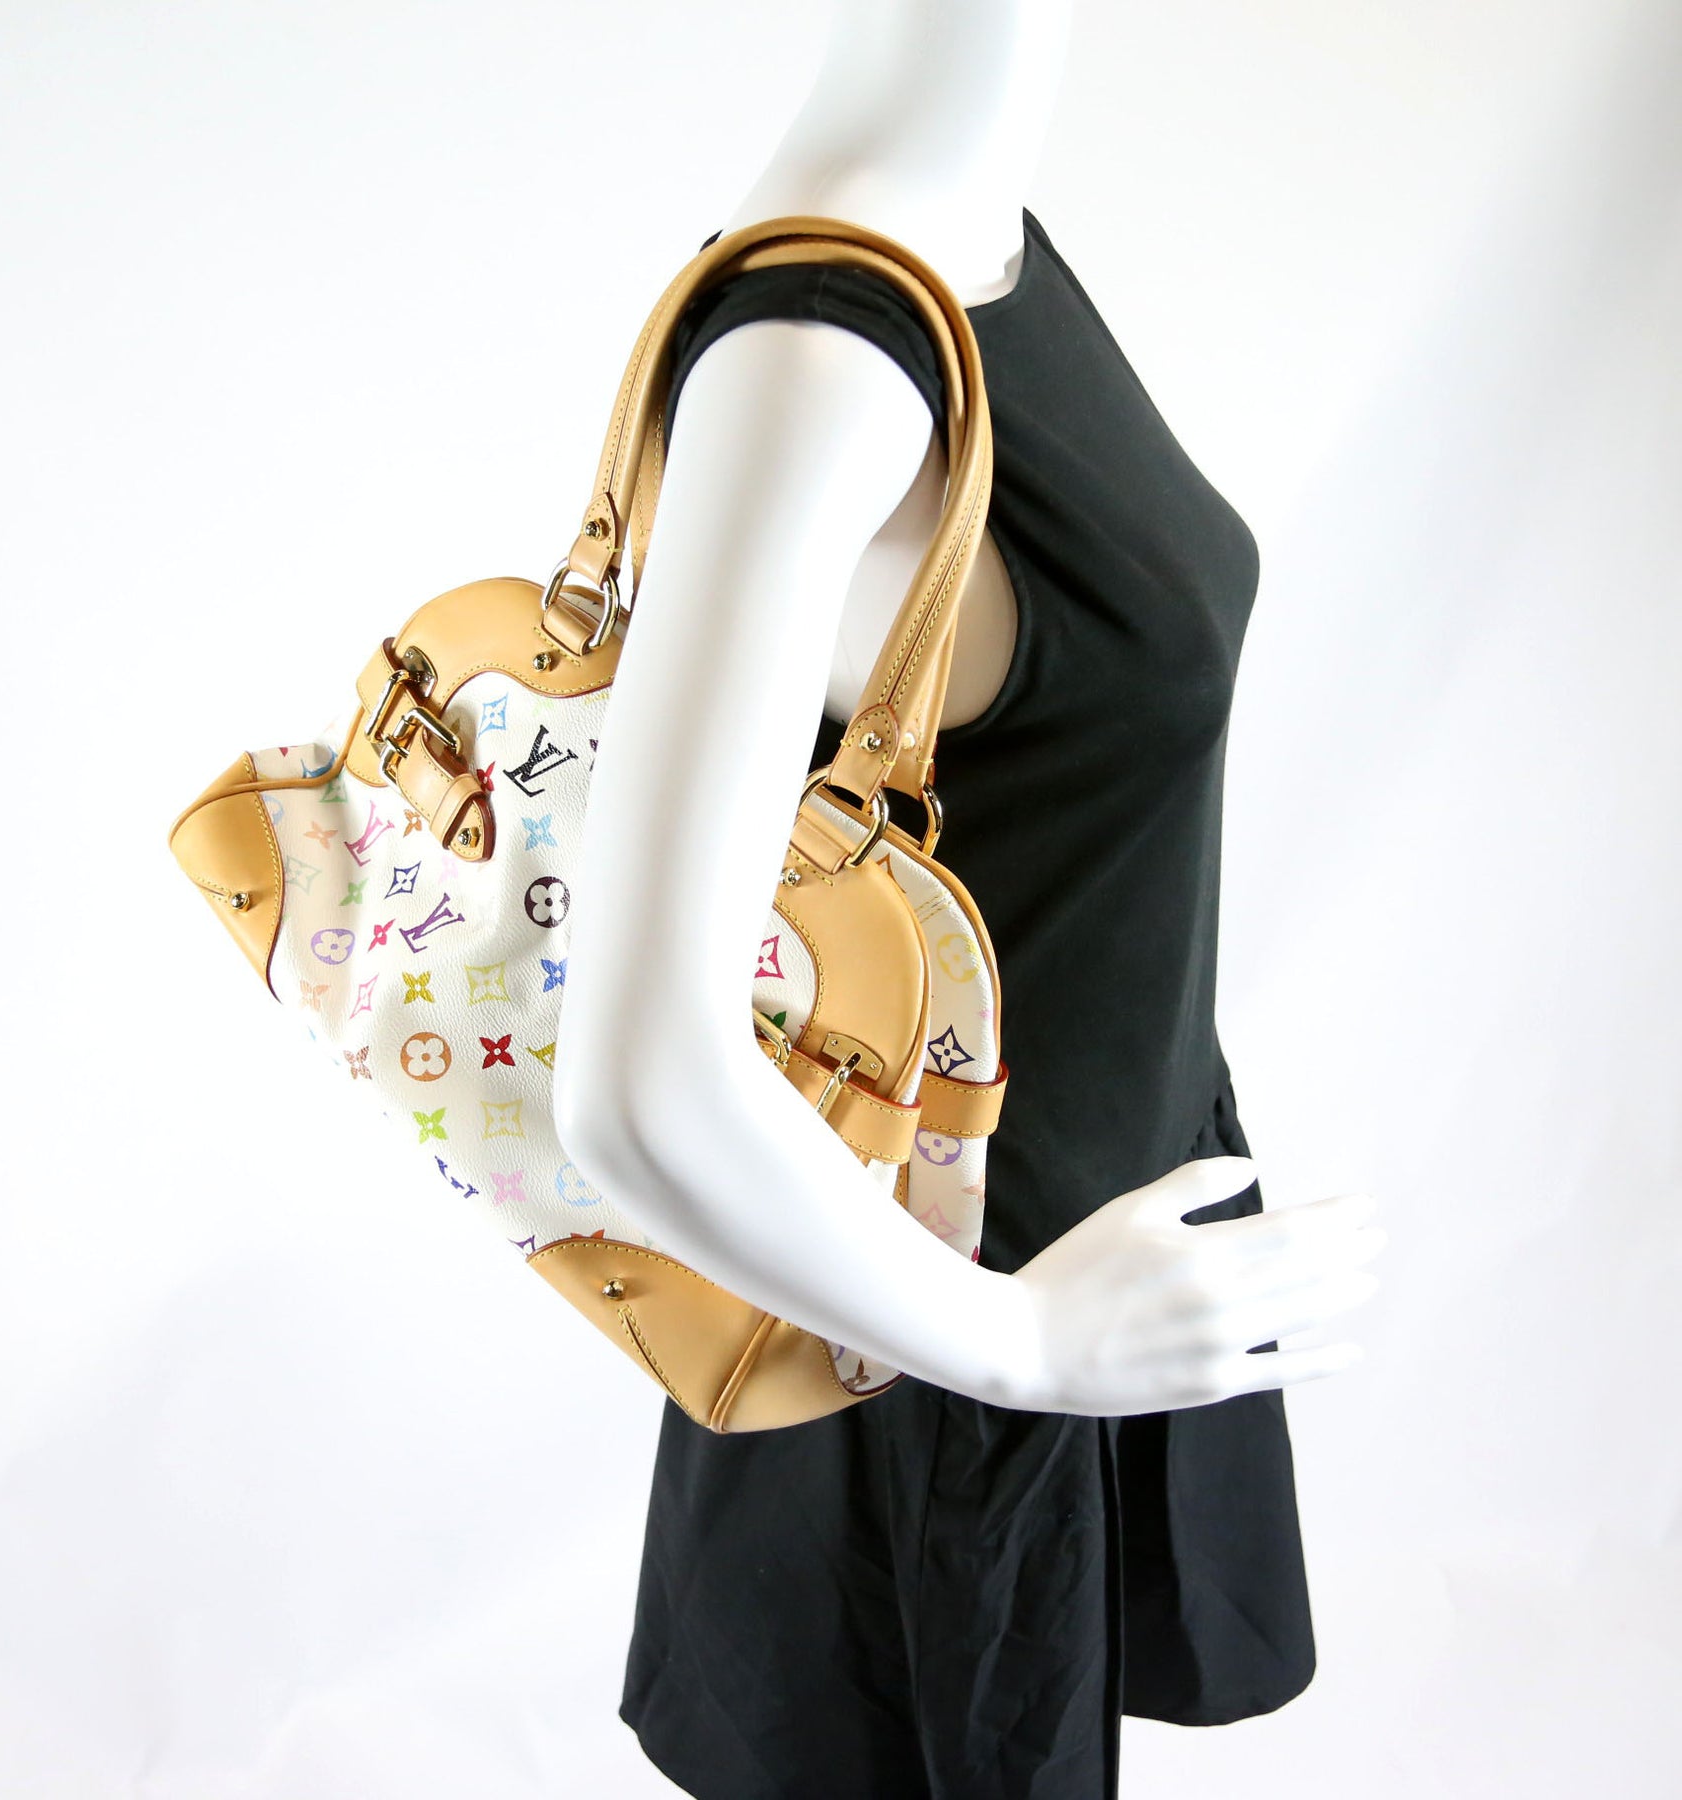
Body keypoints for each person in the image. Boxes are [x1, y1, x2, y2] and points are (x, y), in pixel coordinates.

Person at [552, 2, 1385, 1794]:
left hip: (1078, 1255)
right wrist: (1022, 1343)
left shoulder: (965, 235)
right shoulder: (821, 354)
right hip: (939, 1339)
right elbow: (630, 1089)